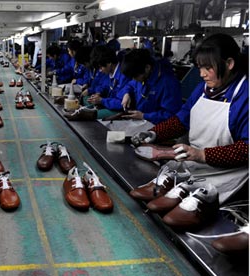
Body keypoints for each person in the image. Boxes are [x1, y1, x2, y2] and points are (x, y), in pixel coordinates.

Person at [131, 33, 248, 204]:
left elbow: (247, 149)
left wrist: (202, 154)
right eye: (199, 67)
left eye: (208, 68)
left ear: (229, 64)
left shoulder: (245, 96)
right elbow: (182, 120)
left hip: (227, 175)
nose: (201, 74)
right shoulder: (203, 89)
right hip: (196, 165)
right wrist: (154, 133)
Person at [119, 48, 183, 124]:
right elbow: (131, 84)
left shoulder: (168, 83)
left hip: (156, 126)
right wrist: (127, 94)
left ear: (147, 68)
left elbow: (171, 115)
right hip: (140, 120)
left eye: (135, 76)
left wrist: (144, 116)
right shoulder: (141, 75)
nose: (134, 79)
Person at [86, 46, 131, 118]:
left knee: (89, 115)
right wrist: (98, 93)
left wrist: (102, 100)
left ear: (109, 63)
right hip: (109, 105)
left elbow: (120, 103)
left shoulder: (123, 76)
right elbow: (103, 86)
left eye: (101, 67)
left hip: (120, 111)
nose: (100, 70)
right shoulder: (108, 72)